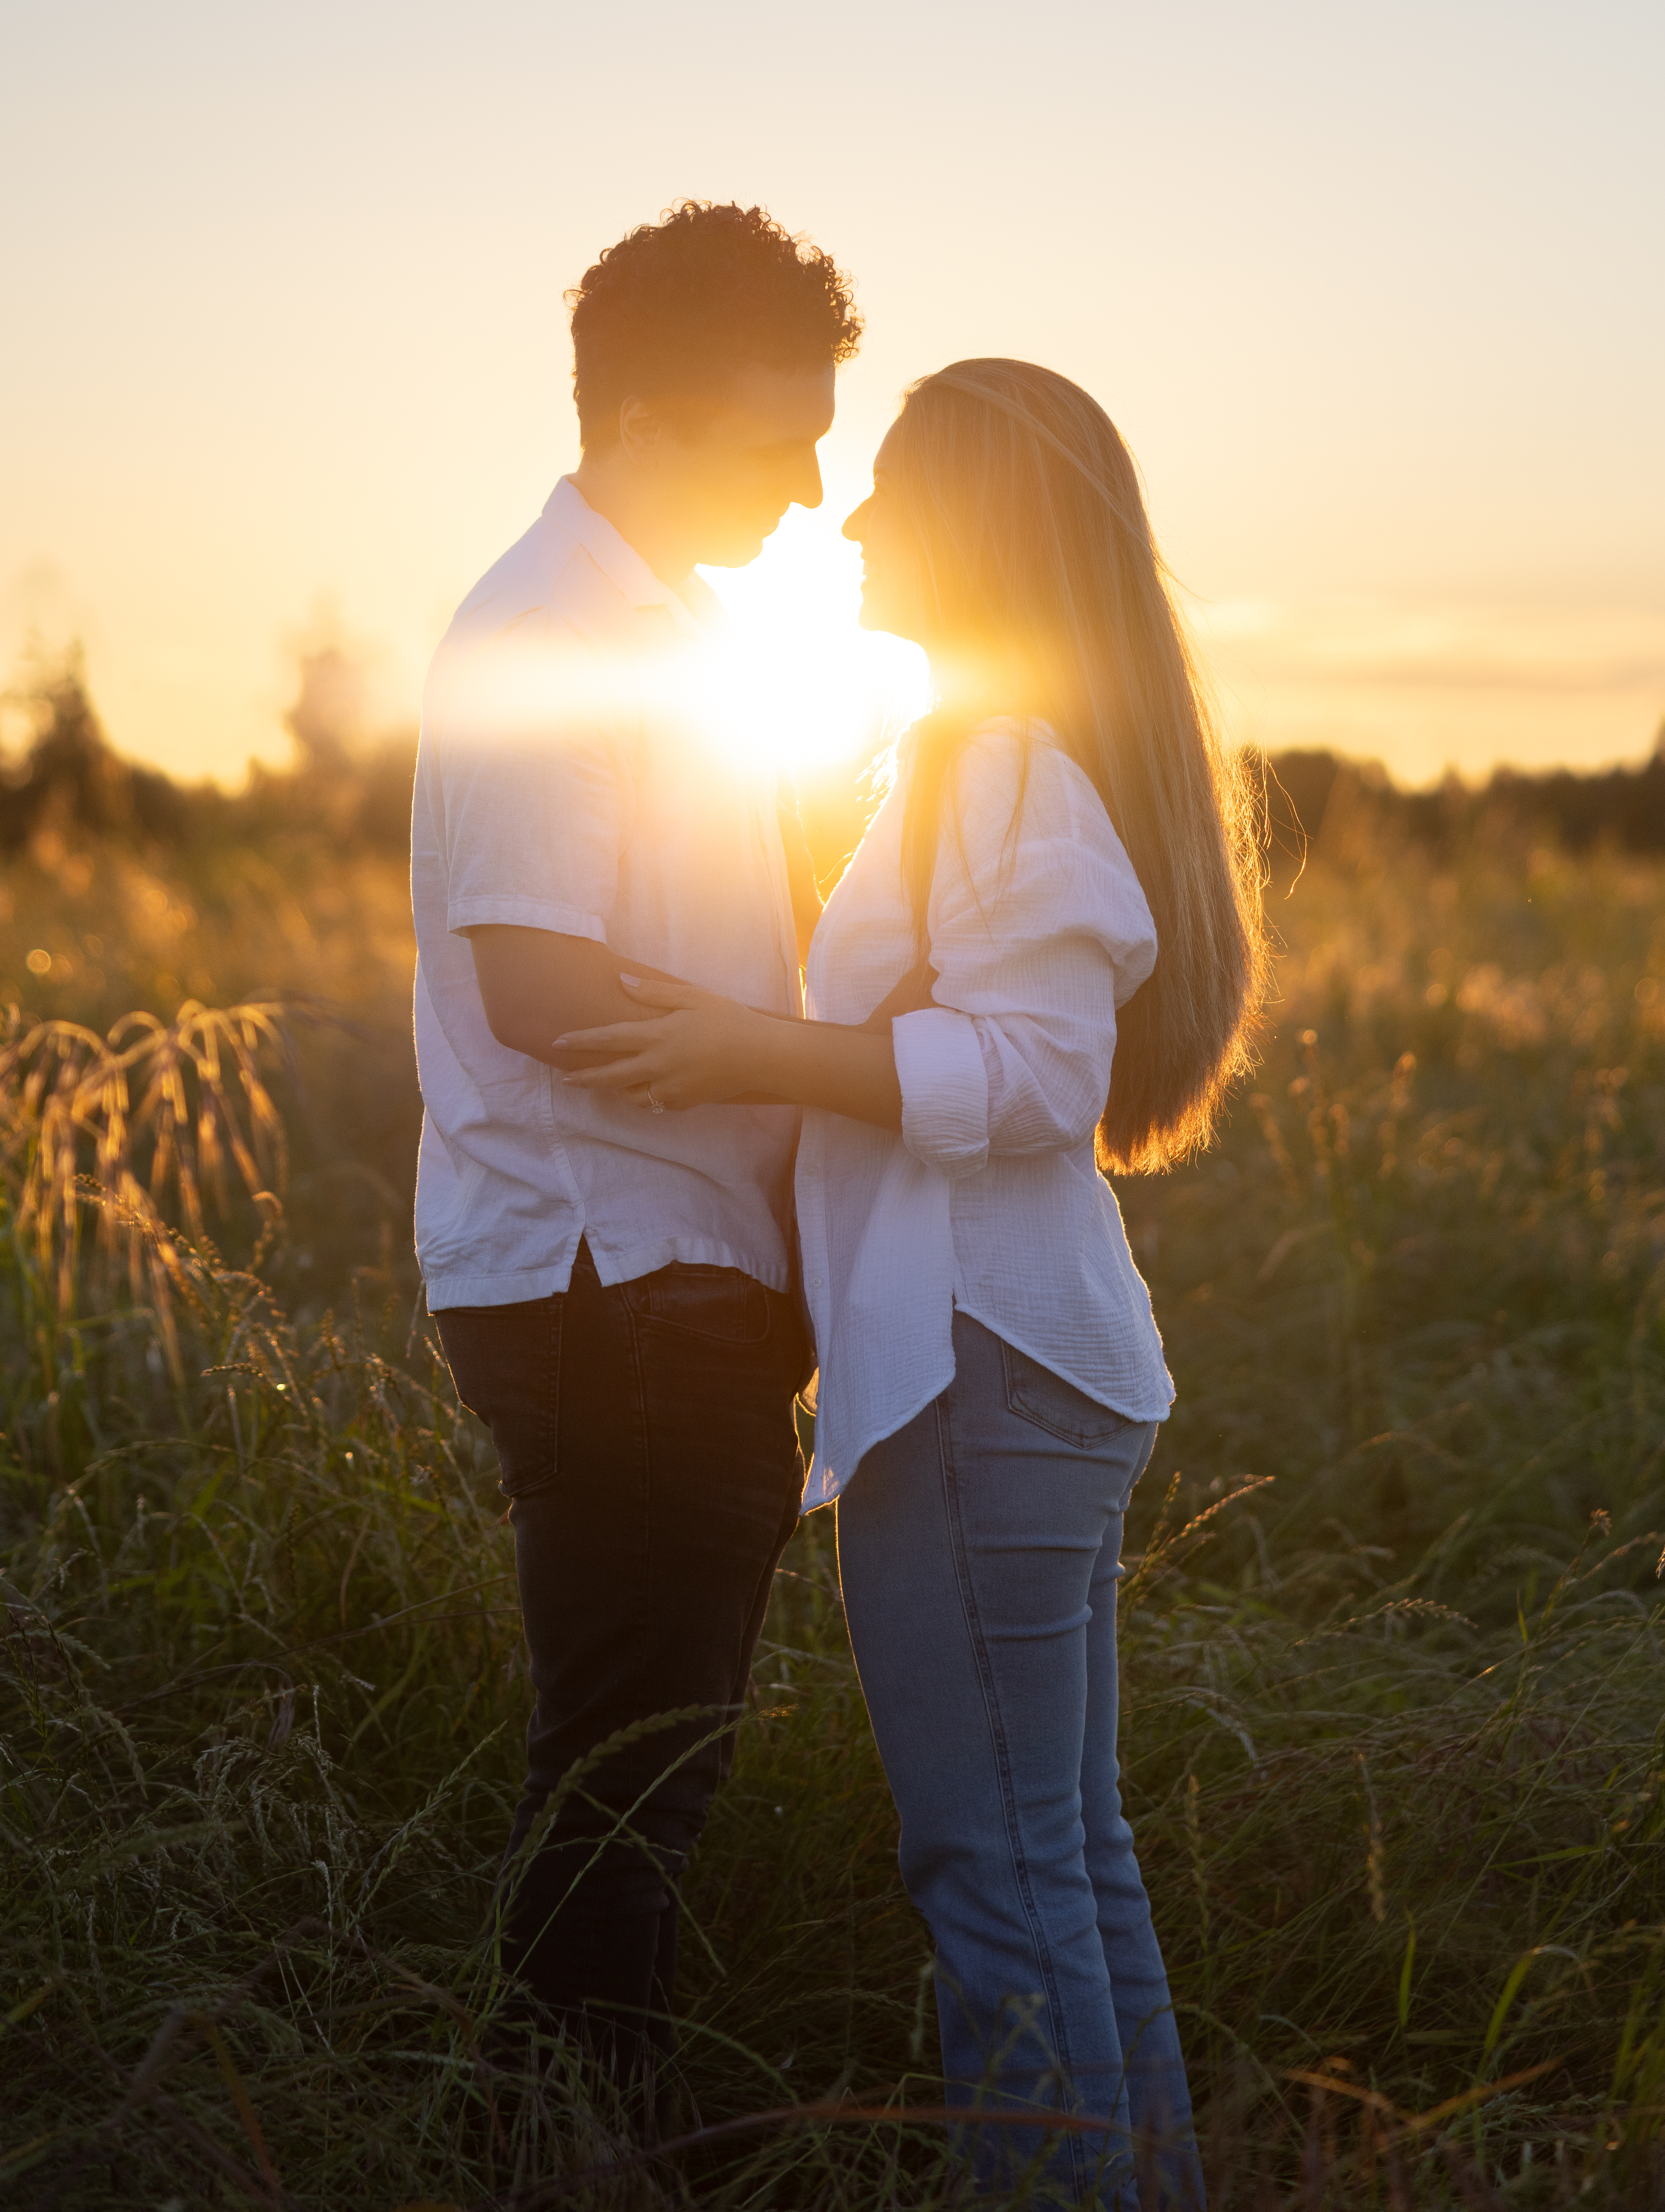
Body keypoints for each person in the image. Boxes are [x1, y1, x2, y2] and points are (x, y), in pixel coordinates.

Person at [558, 357, 1264, 2208]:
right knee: (1063, 1851)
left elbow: (1034, 1077)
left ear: (970, 522)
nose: (852, 522)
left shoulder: (1006, 760)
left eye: (887, 489)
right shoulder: (1000, 749)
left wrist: (750, 1046)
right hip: (1024, 1361)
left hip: (983, 1368)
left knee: (993, 1864)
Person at [411, 199, 862, 2090]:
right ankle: (562, 2142)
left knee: (639, 1770)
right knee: (627, 1781)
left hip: (668, 1276)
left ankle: (566, 2129)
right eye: (779, 438)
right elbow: (538, 985)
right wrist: (830, 1071)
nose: (817, 487)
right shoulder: (549, 630)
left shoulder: (661, 625)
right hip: (622, 1276)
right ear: (649, 419)